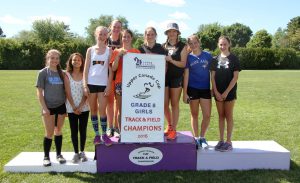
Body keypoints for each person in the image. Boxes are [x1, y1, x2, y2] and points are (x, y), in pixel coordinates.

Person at [83, 26, 113, 146]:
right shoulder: (90, 50)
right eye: (100, 34)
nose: (102, 36)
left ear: (107, 36)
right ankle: (96, 135)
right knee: (93, 110)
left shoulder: (109, 51)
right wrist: (85, 85)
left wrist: (108, 85)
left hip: (103, 85)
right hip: (91, 84)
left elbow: (111, 71)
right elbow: (86, 70)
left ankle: (104, 135)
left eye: (105, 34)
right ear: (96, 34)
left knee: (102, 110)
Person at [36, 49, 66, 167]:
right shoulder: (43, 73)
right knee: (49, 133)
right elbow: (39, 92)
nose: (54, 60)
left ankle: (59, 155)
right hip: (48, 107)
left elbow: (66, 90)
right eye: (52, 58)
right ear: (47, 59)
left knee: (58, 130)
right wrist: (44, 108)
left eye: (57, 58)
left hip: (61, 106)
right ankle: (46, 157)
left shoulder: (62, 73)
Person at [210, 36, 241, 152]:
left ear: (229, 44)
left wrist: (226, 92)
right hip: (218, 93)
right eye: (221, 44)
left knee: (228, 116)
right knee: (221, 116)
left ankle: (228, 142)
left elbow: (235, 77)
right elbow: (212, 77)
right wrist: (216, 92)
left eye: (225, 44)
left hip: (230, 92)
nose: (223, 47)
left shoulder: (234, 58)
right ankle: (221, 140)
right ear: (218, 45)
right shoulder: (214, 59)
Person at [110, 29, 140, 140]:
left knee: (133, 109)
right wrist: (118, 56)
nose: (126, 38)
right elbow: (113, 68)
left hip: (134, 85)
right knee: (121, 109)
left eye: (128, 36)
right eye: (124, 37)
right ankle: (122, 132)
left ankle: (132, 131)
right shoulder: (116, 51)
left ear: (131, 38)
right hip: (120, 83)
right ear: (121, 38)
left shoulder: (136, 52)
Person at [183, 35, 213, 148]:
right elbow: (186, 75)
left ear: (199, 42)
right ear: (189, 45)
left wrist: (213, 88)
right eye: (191, 43)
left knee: (207, 115)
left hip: (205, 89)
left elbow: (212, 74)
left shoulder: (208, 56)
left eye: (195, 42)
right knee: (194, 114)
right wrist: (185, 92)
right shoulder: (188, 57)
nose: (193, 45)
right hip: (192, 89)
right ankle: (196, 138)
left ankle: (202, 137)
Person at [163, 22, 188, 140]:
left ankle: (174, 128)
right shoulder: (163, 46)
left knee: (174, 104)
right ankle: (169, 125)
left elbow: (183, 64)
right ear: (167, 33)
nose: (171, 33)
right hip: (164, 78)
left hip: (176, 77)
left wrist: (171, 60)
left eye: (174, 31)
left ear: (177, 33)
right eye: (169, 31)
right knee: (164, 104)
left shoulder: (183, 46)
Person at [64, 53, 89, 163]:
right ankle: (75, 153)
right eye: (74, 60)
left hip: (84, 107)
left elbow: (85, 92)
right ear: (71, 61)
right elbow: (67, 92)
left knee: (82, 130)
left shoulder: (85, 74)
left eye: (78, 60)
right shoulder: (67, 75)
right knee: (73, 131)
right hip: (71, 107)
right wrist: (74, 107)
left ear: (82, 62)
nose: (76, 62)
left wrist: (80, 106)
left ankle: (82, 152)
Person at [106, 20, 122, 138]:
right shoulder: (105, 40)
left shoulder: (123, 41)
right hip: (107, 74)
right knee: (110, 102)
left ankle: (116, 127)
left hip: (120, 75)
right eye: (114, 26)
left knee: (118, 103)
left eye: (118, 27)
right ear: (110, 27)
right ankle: (109, 127)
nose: (116, 28)